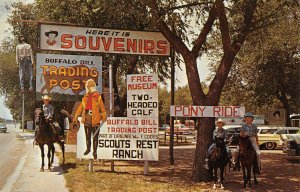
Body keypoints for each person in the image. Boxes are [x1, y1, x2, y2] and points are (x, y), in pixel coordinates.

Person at [73, 79, 107, 159]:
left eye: (91, 86)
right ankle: (88, 149)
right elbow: (80, 108)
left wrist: (104, 115)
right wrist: (76, 116)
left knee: (95, 137)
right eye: (88, 86)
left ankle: (95, 152)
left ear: (93, 87)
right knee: (87, 136)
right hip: (87, 119)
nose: (89, 88)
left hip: (96, 119)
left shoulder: (98, 97)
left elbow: (102, 108)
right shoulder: (85, 98)